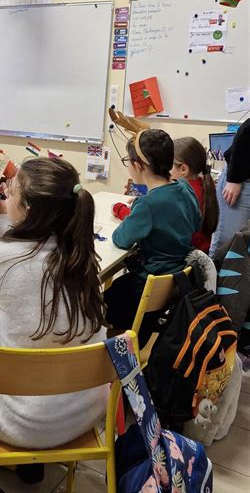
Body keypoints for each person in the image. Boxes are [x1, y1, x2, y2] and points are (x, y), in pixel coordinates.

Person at [0, 157, 108, 450]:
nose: (7, 196)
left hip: (23, 424)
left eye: (12, 193)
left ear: (28, 209)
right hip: (84, 410)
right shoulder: (82, 256)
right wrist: (9, 219)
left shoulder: (0, 257)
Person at [105, 129, 201, 345]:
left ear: (138, 166)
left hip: (148, 282)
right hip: (176, 280)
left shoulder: (148, 204)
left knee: (105, 299)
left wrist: (136, 215)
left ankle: (119, 351)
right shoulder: (185, 187)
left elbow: (120, 239)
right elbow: (196, 222)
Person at [209, 118, 250, 258]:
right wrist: (235, 179)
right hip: (242, 179)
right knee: (227, 242)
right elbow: (246, 130)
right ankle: (214, 278)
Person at [170, 137, 219, 254]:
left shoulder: (181, 194)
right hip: (202, 253)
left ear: (183, 169)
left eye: (168, 164)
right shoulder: (203, 184)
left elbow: (147, 220)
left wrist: (121, 208)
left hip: (185, 258)